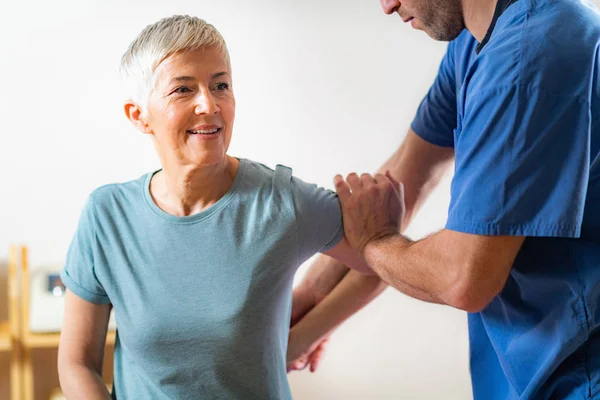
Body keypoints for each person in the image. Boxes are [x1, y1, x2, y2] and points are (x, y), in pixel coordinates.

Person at [56, 15, 390, 399]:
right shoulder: (106, 215)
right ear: (139, 116)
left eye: (221, 85)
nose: (208, 104)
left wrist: (303, 338)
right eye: (183, 89)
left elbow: (381, 263)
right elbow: (76, 362)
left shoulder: (280, 201)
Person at [292, 0, 600, 398]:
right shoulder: (475, 43)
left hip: (580, 375)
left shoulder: (531, 54)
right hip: (525, 373)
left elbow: (462, 277)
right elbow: (399, 181)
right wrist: (310, 302)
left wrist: (373, 244)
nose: (387, 6)